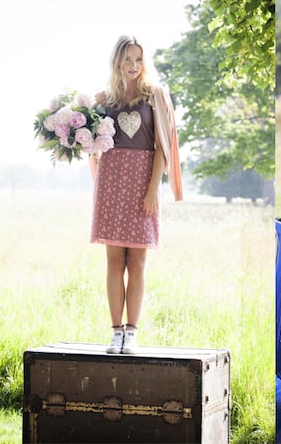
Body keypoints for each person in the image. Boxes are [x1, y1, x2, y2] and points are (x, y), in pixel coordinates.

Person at [89, 35, 183, 355]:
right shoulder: (104, 99)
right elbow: (92, 143)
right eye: (127, 59)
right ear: (117, 61)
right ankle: (116, 332)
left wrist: (153, 189)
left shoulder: (154, 96)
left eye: (138, 59)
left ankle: (133, 332)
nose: (133, 66)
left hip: (143, 180)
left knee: (138, 261)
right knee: (114, 261)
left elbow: (162, 146)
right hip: (112, 180)